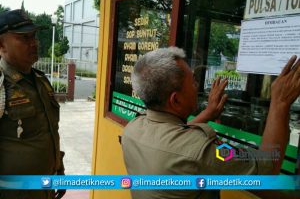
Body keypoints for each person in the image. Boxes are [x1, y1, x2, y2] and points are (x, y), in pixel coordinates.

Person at [121, 47, 300, 199]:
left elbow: (173, 140)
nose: (197, 86)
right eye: (192, 82)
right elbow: (267, 167)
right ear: (175, 101)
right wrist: (280, 102)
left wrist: (207, 113)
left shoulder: (133, 128)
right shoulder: (203, 151)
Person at [0, 9, 65, 199]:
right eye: (24, 38)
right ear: (2, 45)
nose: (34, 43)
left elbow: (51, 130)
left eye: (34, 36)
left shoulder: (41, 80)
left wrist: (58, 169)